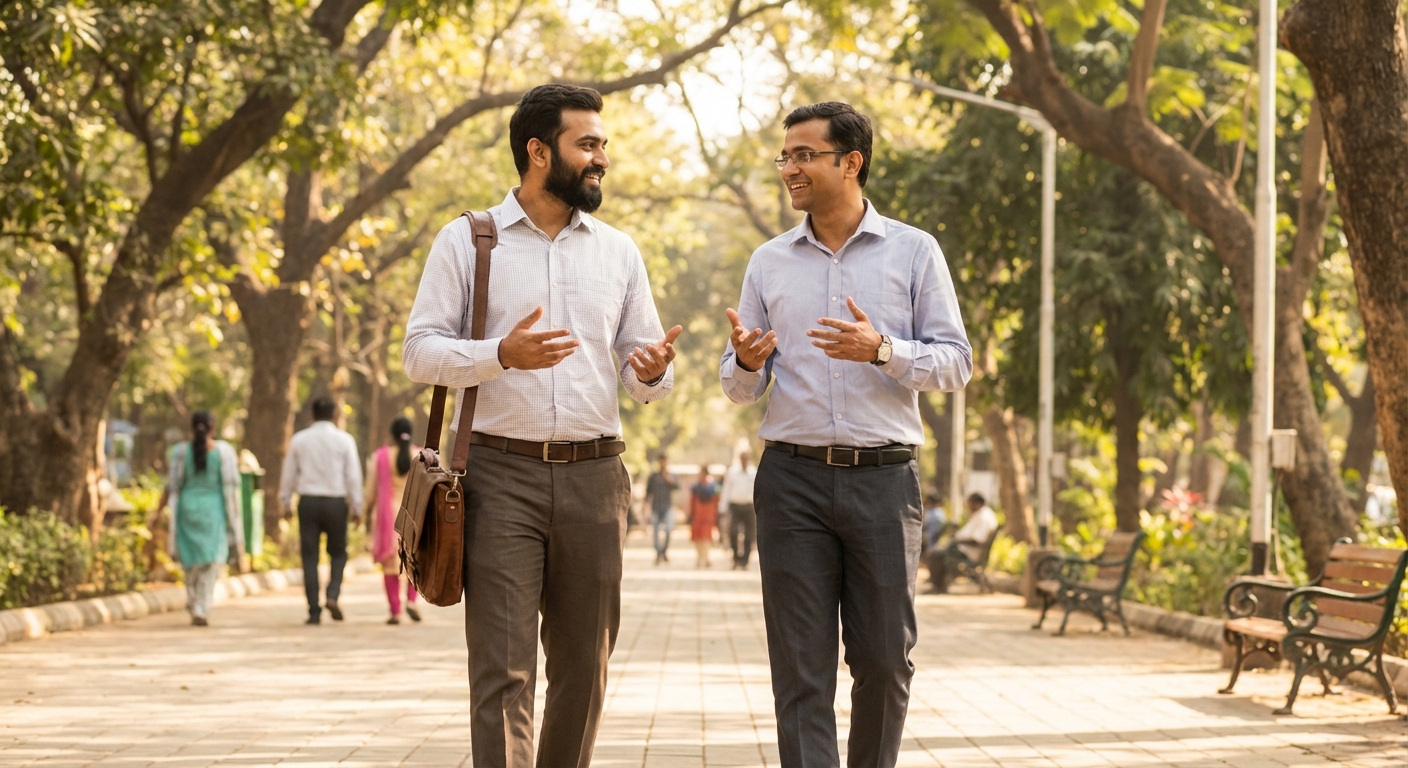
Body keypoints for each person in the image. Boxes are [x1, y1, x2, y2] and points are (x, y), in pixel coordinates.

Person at [401, 83, 681, 767]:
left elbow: (647, 382)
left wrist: (649, 370)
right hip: (500, 477)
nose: (601, 159)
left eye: (602, 145)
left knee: (584, 670)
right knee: (502, 668)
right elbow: (419, 351)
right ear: (537, 151)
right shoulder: (468, 241)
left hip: (596, 477)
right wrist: (500, 355)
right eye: (587, 144)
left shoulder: (618, 251)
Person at [719, 101, 972, 766]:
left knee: (885, 661)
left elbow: (956, 363)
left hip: (886, 481)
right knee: (801, 669)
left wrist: (883, 350)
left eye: (805, 155)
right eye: (786, 156)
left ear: (850, 162)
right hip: (792, 480)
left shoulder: (915, 252)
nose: (790, 169)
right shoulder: (768, 262)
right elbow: (742, 386)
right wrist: (744, 361)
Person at [279, 396, 363, 625]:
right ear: (335, 415)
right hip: (336, 502)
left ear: (312, 414)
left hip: (308, 502)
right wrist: (357, 506)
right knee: (338, 552)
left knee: (310, 556)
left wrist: (285, 502)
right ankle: (333, 594)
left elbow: (289, 475)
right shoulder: (345, 440)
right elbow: (352, 476)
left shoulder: (299, 440)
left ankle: (314, 610)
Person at [162, 411, 246, 626]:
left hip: (187, 510)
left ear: (191, 429)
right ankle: (201, 606)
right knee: (210, 563)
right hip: (213, 512)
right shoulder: (224, 452)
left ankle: (193, 601)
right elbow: (232, 487)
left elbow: (171, 486)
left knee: (190, 563)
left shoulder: (179, 452)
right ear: (213, 429)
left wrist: (157, 512)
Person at [363, 416, 420, 625]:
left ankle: (395, 611)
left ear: (392, 435)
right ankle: (412, 602)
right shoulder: (420, 456)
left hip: (387, 517)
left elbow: (370, 491)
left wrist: (363, 511)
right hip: (413, 516)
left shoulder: (381, 457)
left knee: (390, 566)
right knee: (414, 561)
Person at [929, 493, 999, 594]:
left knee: (935, 554)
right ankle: (938, 585)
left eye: (969, 503)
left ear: (976, 503)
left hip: (968, 551)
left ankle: (938, 587)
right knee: (936, 552)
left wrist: (958, 540)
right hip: (964, 548)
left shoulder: (984, 517)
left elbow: (977, 539)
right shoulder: (980, 514)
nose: (968, 506)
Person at [719, 450, 758, 570]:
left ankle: (745, 561)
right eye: (742, 458)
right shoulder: (732, 472)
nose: (744, 460)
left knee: (749, 535)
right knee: (733, 532)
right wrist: (722, 507)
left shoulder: (754, 472)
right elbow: (726, 489)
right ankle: (736, 559)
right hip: (735, 505)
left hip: (749, 506)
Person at [644, 454, 679, 565]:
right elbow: (648, 492)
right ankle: (658, 553)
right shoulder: (654, 476)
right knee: (655, 532)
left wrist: (668, 478)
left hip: (667, 506)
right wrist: (645, 507)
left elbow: (676, 487)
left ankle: (664, 551)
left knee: (668, 529)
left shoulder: (671, 475)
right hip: (656, 507)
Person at [688, 468, 720, 568]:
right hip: (698, 515)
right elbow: (692, 502)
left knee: (706, 538)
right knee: (698, 538)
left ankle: (705, 558)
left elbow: (717, 501)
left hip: (708, 515)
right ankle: (700, 558)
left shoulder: (714, 487)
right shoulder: (696, 487)